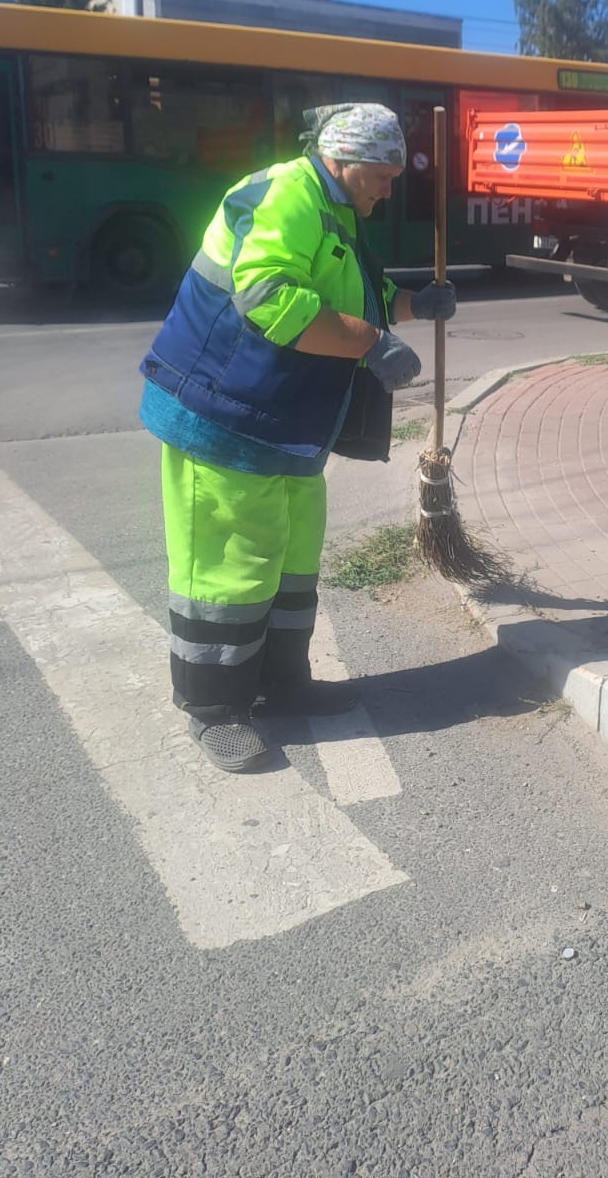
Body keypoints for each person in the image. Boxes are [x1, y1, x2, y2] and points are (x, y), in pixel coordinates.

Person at [138, 103, 456, 773]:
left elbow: (354, 291)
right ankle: (212, 706)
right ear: (342, 162)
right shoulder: (290, 193)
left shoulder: (333, 207)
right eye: (381, 174)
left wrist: (408, 305)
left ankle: (282, 684)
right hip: (222, 415)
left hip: (282, 424)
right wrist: (372, 343)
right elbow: (267, 295)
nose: (388, 188)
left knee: (289, 558)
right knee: (226, 565)